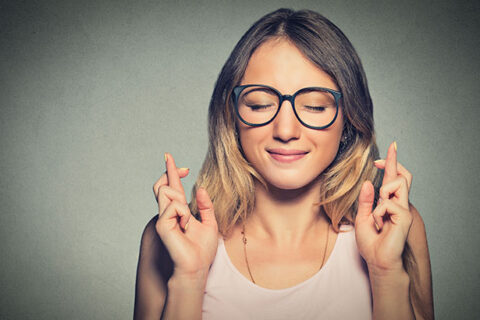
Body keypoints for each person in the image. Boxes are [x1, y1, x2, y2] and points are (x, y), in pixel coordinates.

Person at [134, 8, 433, 320]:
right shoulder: (169, 237)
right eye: (260, 104)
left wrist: (386, 275)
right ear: (231, 115)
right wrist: (189, 279)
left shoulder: (396, 227)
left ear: (349, 119)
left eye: (316, 106)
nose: (286, 131)